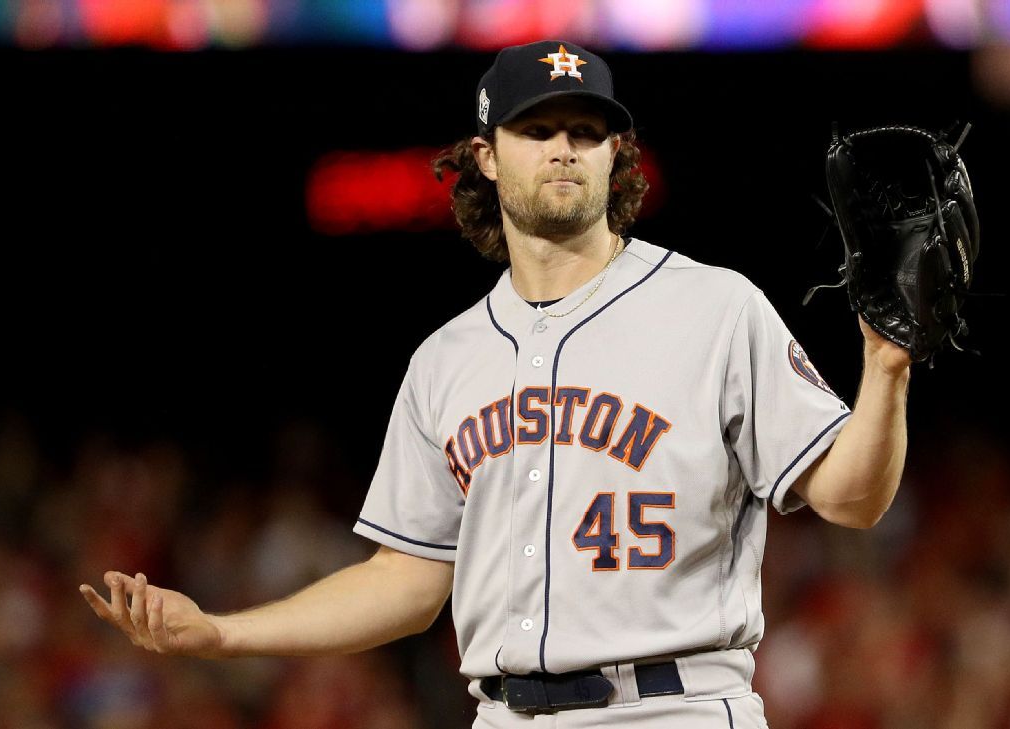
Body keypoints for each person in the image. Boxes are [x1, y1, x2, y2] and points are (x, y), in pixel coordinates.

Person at [80, 39, 912, 728]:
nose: (564, 148)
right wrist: (220, 634)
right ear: (485, 155)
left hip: (676, 709)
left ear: (616, 152)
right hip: (502, 715)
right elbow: (405, 580)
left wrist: (885, 369)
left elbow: (851, 498)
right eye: (538, 127)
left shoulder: (716, 308)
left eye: (588, 131)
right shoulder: (447, 360)